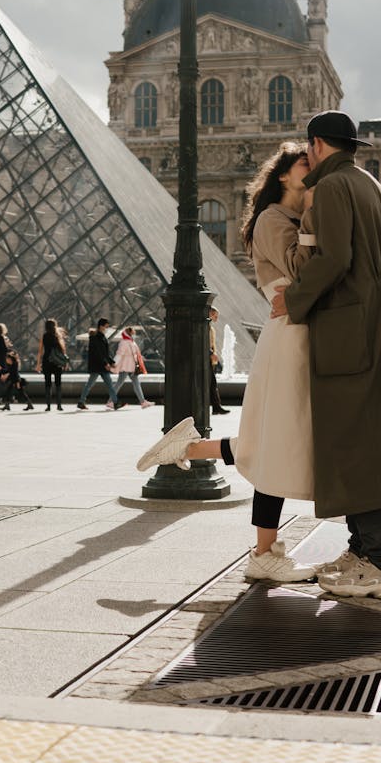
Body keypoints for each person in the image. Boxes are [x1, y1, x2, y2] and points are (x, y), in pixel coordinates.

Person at [137, 143, 318, 584]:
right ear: (282, 176)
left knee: (276, 439)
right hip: (291, 334)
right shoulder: (275, 220)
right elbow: (302, 272)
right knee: (278, 442)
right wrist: (316, 217)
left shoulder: (288, 219)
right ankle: (263, 551)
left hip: (299, 330)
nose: (314, 171)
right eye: (305, 165)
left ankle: (192, 448)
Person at [269, 110, 381, 600]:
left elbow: (334, 259)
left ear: (316, 144)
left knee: (354, 441)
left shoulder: (331, 188)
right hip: (374, 316)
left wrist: (291, 300)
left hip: (347, 323)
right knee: (364, 434)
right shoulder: (373, 186)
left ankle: (379, 563)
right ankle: (362, 552)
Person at [77, 318, 122, 410]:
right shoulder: (96, 337)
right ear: (101, 326)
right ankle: (115, 402)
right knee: (103, 384)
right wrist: (106, 363)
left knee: (100, 384)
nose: (107, 328)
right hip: (98, 365)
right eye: (106, 326)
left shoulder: (101, 336)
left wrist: (111, 362)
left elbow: (104, 353)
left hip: (100, 365)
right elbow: (99, 353)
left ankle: (81, 401)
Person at [114, 327, 154, 408]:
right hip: (126, 366)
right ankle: (111, 401)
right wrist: (114, 363)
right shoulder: (125, 342)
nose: (134, 333)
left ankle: (143, 402)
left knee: (135, 383)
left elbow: (134, 353)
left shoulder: (130, 341)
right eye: (133, 332)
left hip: (131, 367)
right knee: (120, 383)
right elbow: (119, 354)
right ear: (130, 333)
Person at [35, 318, 67, 411]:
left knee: (48, 384)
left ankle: (48, 406)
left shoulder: (44, 336)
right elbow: (63, 351)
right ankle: (59, 405)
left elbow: (40, 351)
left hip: (47, 362)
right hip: (57, 362)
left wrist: (38, 364)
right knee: (58, 384)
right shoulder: (58, 336)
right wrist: (65, 362)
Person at [208, 306, 230, 415]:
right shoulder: (206, 327)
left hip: (210, 360)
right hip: (207, 359)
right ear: (210, 314)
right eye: (215, 316)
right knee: (212, 384)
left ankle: (216, 407)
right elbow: (204, 342)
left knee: (212, 384)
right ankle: (216, 407)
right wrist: (211, 353)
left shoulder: (210, 327)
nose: (217, 318)